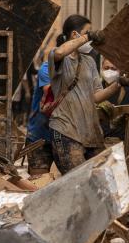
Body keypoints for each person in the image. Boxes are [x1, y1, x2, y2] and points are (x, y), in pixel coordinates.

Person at [47, 15, 121, 174]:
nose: (91, 39)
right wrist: (88, 37)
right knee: (78, 182)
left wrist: (119, 84)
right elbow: (60, 52)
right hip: (67, 131)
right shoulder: (60, 58)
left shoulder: (89, 61)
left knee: (105, 179)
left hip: (91, 133)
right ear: (75, 35)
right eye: (87, 32)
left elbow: (95, 96)